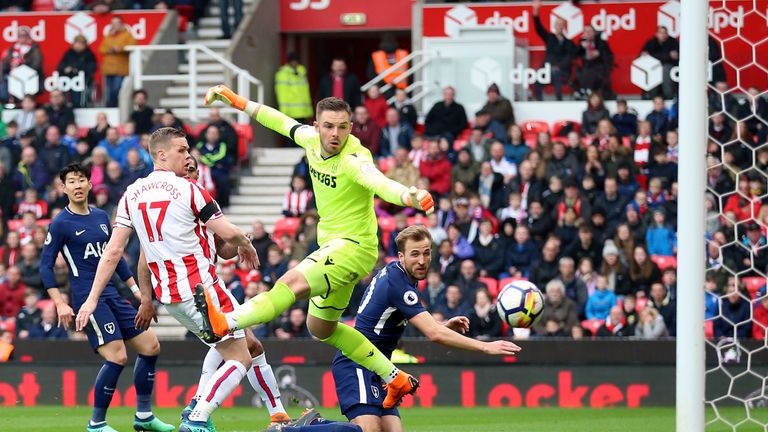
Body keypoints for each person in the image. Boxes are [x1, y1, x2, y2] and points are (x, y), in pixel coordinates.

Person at [200, 84, 436, 409]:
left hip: (353, 247)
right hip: (333, 246)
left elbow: (380, 183)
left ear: (351, 128)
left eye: (342, 126)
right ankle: (394, 377)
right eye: (328, 126)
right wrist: (238, 101)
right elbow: (279, 121)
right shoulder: (310, 141)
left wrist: (409, 195)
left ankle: (225, 322)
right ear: (316, 126)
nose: (335, 133)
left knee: (289, 282)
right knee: (321, 328)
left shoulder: (354, 159)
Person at [74, 128, 264, 432]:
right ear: (161, 155)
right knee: (241, 357)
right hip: (203, 289)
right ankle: (198, 415)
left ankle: (204, 408)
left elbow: (115, 252)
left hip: (172, 299)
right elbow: (228, 235)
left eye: (188, 150)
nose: (188, 155)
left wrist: (94, 298)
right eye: (182, 150)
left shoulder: (130, 194)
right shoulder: (189, 190)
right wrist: (248, 242)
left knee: (230, 347)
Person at [332, 226, 519, 430]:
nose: (422, 260)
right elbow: (434, 334)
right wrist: (486, 347)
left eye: (427, 253)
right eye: (415, 254)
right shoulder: (399, 282)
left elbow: (426, 326)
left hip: (380, 367)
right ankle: (311, 427)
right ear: (401, 256)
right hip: (357, 362)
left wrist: (442, 325)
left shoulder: (403, 276)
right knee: (370, 429)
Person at [41, 163, 174, 432]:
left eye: (81, 180)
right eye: (71, 181)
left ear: (90, 184)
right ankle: (96, 423)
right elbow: (45, 266)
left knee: (151, 347)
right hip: (87, 299)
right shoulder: (60, 223)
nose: (77, 185)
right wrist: (60, 302)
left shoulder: (102, 216)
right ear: (63, 188)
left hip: (113, 294)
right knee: (117, 356)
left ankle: (144, 417)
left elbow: (115, 259)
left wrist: (138, 292)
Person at [532, 0, 575, 101]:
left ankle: (558, 99)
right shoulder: (549, 38)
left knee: (556, 73)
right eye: (557, 24)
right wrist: (535, 12)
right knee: (537, 75)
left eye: (561, 24)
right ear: (554, 26)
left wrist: (558, 67)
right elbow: (539, 28)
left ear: (564, 26)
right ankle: (539, 100)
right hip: (548, 70)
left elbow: (569, 57)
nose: (559, 26)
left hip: (563, 72)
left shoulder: (569, 42)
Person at [99, 16, 136, 107]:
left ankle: (115, 106)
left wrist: (120, 49)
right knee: (109, 90)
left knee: (116, 89)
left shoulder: (128, 35)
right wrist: (110, 49)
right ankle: (111, 106)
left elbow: (133, 45)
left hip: (120, 68)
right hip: (108, 69)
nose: (115, 25)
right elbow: (101, 49)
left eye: (117, 23)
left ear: (122, 24)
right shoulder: (109, 36)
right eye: (113, 23)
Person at [1, 27, 43, 105]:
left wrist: (22, 65)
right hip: (12, 76)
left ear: (29, 36)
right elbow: (6, 64)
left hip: (29, 76)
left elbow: (37, 64)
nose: (22, 38)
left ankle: (26, 104)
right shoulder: (13, 49)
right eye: (20, 36)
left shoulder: (34, 48)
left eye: (24, 36)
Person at [56, 34, 97, 107]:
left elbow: (92, 68)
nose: (78, 46)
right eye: (77, 43)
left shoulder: (89, 55)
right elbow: (60, 66)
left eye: (81, 44)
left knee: (77, 92)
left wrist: (77, 69)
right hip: (68, 79)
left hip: (83, 80)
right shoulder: (69, 53)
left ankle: (78, 105)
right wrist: (65, 69)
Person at [574, 25, 614, 98]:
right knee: (581, 72)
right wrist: (581, 47)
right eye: (586, 31)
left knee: (593, 72)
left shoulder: (601, 43)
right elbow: (574, 56)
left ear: (594, 33)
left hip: (599, 68)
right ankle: (585, 91)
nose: (588, 33)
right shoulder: (581, 43)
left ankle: (588, 91)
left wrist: (599, 53)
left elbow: (610, 56)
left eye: (590, 31)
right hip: (584, 69)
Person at [640, 26, 679, 99]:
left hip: (669, 67)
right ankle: (652, 96)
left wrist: (656, 56)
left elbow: (676, 57)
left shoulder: (672, 42)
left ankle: (669, 95)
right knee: (653, 70)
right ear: (657, 34)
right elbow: (643, 55)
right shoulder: (651, 43)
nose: (663, 35)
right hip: (653, 67)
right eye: (661, 33)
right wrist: (667, 55)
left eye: (665, 33)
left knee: (665, 69)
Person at [274, 52, 313, 123]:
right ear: (289, 62)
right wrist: (283, 113)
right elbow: (282, 94)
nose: (294, 63)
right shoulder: (282, 74)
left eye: (296, 61)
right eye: (293, 61)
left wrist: (308, 111)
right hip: (290, 113)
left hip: (302, 112)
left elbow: (305, 94)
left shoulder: (302, 73)